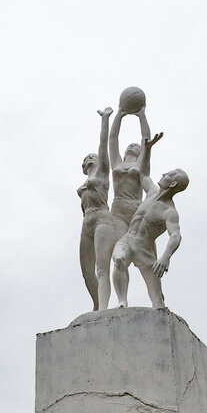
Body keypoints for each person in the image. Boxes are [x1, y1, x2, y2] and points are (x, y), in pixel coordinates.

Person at [111, 132, 186, 310]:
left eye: (170, 174)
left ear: (173, 184)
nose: (165, 173)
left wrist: (165, 257)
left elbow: (175, 235)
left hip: (145, 249)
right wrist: (148, 150)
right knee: (119, 260)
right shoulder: (152, 192)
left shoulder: (169, 211)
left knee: (158, 301)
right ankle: (122, 302)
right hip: (128, 240)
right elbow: (143, 174)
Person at [78, 108, 128, 311]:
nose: (90, 158)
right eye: (86, 157)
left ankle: (103, 309)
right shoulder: (83, 182)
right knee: (86, 271)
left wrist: (105, 119)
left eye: (93, 157)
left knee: (101, 267)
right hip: (86, 223)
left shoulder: (101, 174)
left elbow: (103, 144)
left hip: (102, 219)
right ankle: (97, 302)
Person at [107, 107, 153, 226]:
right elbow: (113, 139)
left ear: (140, 152)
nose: (132, 145)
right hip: (118, 210)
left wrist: (142, 115)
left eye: (136, 146)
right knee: (118, 242)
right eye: (130, 145)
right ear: (125, 153)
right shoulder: (117, 163)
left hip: (135, 208)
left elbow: (145, 138)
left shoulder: (140, 164)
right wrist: (119, 115)